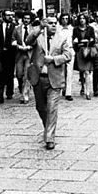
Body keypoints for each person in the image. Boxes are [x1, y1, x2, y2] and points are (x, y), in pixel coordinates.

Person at [26, 16, 73, 149]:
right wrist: (40, 27)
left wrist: (53, 59)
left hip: (54, 79)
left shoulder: (61, 39)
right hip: (38, 77)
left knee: (52, 108)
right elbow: (28, 40)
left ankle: (49, 138)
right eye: (49, 23)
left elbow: (68, 55)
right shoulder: (39, 38)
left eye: (54, 23)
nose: (52, 25)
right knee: (41, 107)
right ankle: (48, 129)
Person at [0, 10, 17, 103]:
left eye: (11, 15)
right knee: (0, 73)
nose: (10, 17)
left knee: (10, 73)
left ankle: (9, 92)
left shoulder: (15, 27)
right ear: (3, 16)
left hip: (11, 54)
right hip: (0, 54)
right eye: (7, 15)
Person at [73, 14, 96, 99]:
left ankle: (88, 91)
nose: (82, 20)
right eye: (80, 18)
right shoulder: (76, 29)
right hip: (79, 52)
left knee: (87, 71)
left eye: (83, 18)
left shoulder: (90, 29)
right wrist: (80, 42)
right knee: (81, 71)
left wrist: (87, 42)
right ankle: (82, 86)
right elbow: (74, 40)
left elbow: (93, 40)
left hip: (87, 51)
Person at [12, 12, 34, 104]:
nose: (26, 20)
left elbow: (36, 41)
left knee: (27, 74)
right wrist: (17, 46)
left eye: (28, 19)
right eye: (25, 18)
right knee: (19, 74)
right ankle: (22, 88)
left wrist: (30, 47)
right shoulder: (17, 29)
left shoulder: (33, 30)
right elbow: (13, 39)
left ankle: (25, 95)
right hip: (19, 54)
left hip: (29, 54)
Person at [58, 14, 75, 101]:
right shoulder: (58, 29)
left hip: (70, 50)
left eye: (67, 19)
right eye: (63, 19)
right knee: (61, 71)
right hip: (60, 51)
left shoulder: (72, 29)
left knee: (69, 72)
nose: (65, 20)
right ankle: (62, 88)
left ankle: (68, 92)